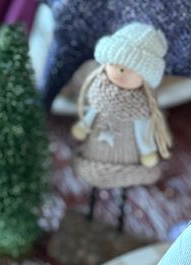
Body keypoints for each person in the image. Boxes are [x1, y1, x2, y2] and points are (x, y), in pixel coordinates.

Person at [71, 23, 173, 230]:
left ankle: (119, 223)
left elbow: (143, 132)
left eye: (129, 69)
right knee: (94, 180)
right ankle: (90, 214)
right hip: (97, 149)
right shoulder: (98, 92)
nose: (119, 72)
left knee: (122, 186)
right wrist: (83, 126)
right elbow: (92, 112)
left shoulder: (141, 107)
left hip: (126, 154)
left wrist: (146, 152)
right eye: (116, 64)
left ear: (145, 77)